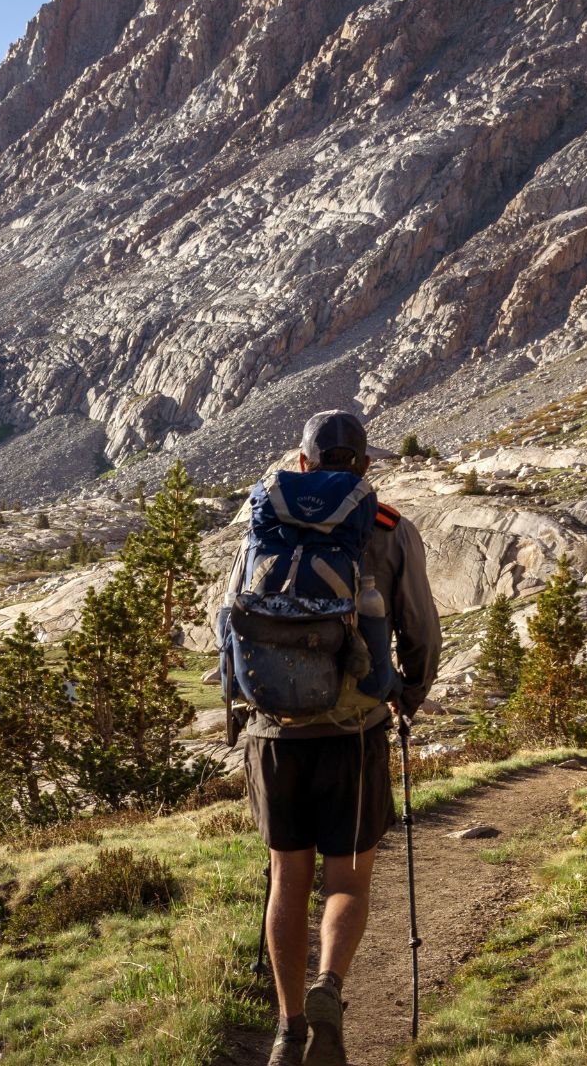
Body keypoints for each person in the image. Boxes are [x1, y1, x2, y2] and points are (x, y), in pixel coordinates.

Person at [225, 410, 440, 1066]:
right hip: (354, 731)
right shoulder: (386, 527)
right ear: (366, 466)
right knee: (346, 877)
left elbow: (234, 614)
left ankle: (289, 1029)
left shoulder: (264, 521)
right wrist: (408, 693)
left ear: (303, 461)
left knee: (287, 877)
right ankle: (330, 987)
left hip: (272, 730)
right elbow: (421, 631)